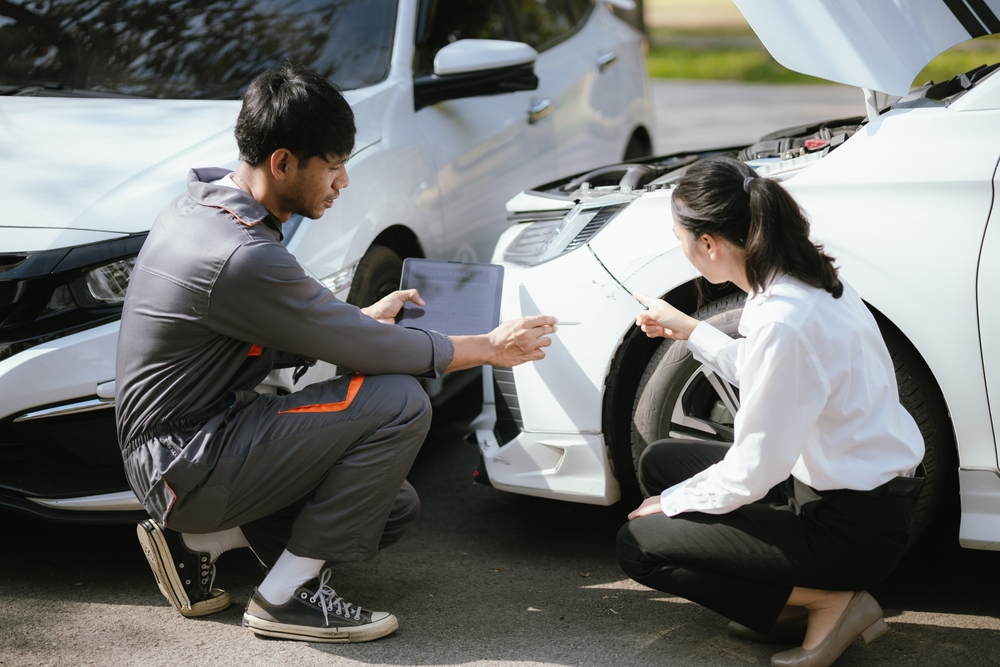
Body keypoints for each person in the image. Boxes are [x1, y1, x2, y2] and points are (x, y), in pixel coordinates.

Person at [115, 64, 556, 644]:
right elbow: (363, 349)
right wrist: (490, 348)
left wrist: (360, 322)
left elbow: (272, 325)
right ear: (282, 162)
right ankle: (285, 598)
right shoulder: (240, 253)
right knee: (399, 401)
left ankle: (202, 540)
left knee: (388, 506)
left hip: (193, 445)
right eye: (333, 164)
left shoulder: (205, 208)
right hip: (184, 460)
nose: (342, 180)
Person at [616, 156, 924, 667]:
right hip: (849, 493)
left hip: (847, 527)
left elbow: (754, 469)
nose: (682, 249)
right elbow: (781, 379)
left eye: (680, 237)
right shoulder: (804, 281)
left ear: (709, 243)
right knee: (660, 463)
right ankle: (791, 600)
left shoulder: (782, 317)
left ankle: (828, 600)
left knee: (639, 545)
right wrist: (693, 331)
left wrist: (672, 503)